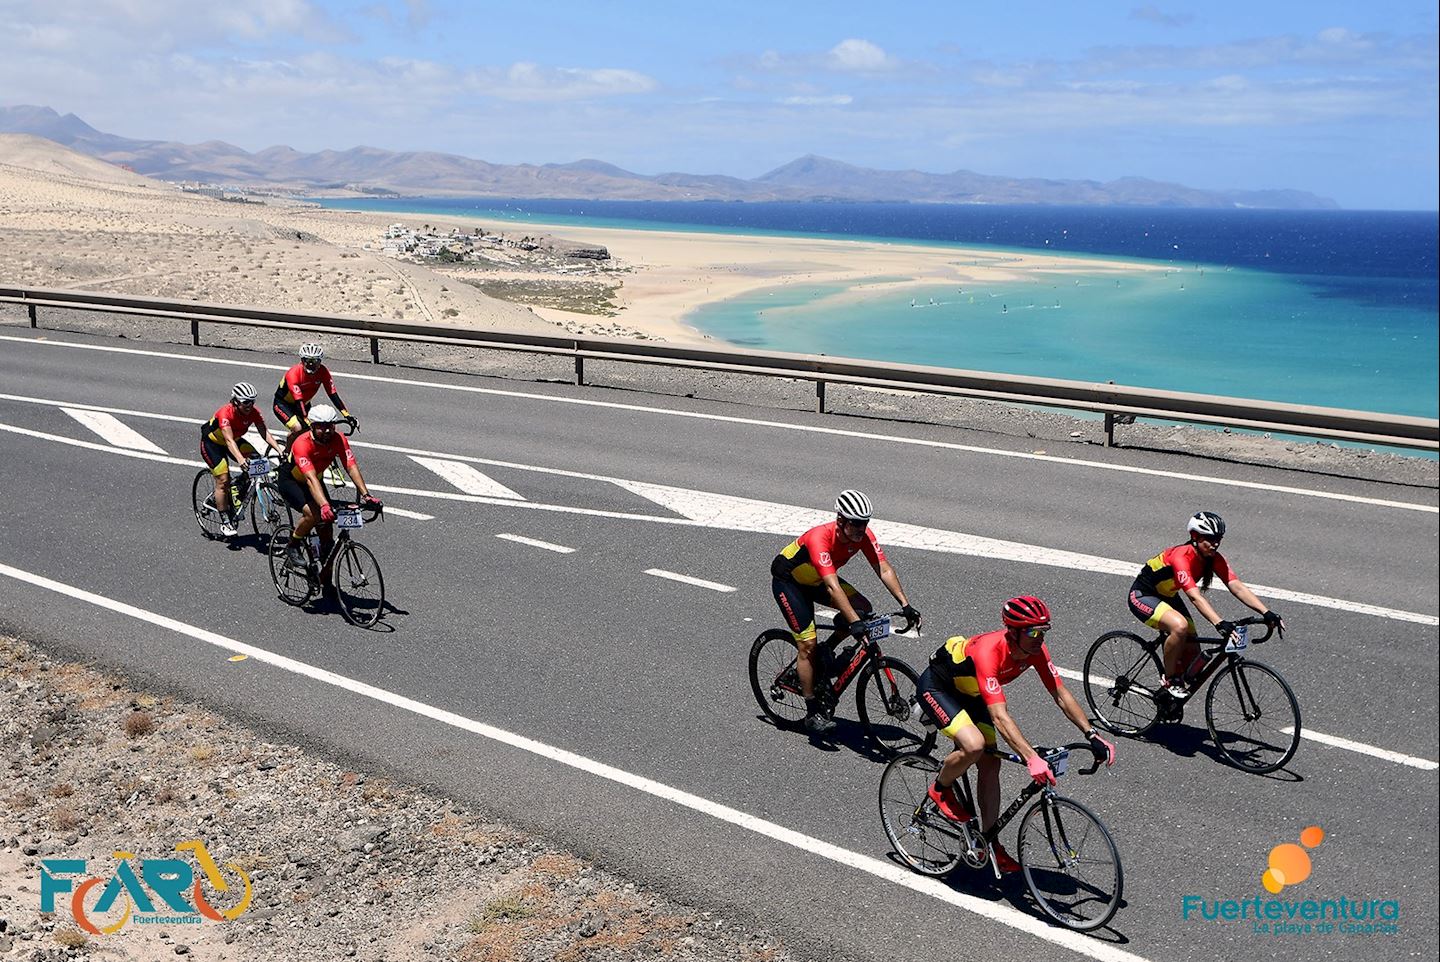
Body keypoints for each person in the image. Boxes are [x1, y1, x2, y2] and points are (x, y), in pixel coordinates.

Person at [917, 596, 1115, 873]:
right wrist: (1032, 758)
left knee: (990, 762)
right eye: (1033, 632)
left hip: (973, 695)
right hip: (939, 688)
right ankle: (940, 789)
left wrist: (1092, 734)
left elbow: (1060, 693)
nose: (1039, 638)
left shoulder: (1036, 651)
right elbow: (999, 716)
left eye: (1043, 631)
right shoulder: (989, 652)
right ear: (1013, 631)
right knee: (973, 746)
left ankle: (990, 844)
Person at [770, 489, 920, 735]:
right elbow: (832, 586)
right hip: (790, 583)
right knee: (807, 644)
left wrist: (906, 604)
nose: (862, 528)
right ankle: (812, 711)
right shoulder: (819, 538)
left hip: (817, 580)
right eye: (856, 523)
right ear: (841, 521)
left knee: (863, 609)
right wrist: (853, 623)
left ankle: (828, 649)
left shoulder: (862, 536)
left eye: (865, 523)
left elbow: (883, 568)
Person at [1127, 511, 1284, 702]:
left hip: (1168, 596)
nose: (1215, 543)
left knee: (1193, 652)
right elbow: (1194, 596)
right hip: (1144, 595)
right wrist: (1219, 623)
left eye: (1218, 538)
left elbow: (1236, 586)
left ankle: (1169, 700)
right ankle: (1170, 681)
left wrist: (1266, 612)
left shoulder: (1213, 558)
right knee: (1179, 627)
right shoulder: (1181, 557)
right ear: (1195, 537)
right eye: (1210, 539)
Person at [275, 404, 382, 580]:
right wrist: (324, 505)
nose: (326, 431)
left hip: (315, 479)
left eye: (330, 426)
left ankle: (326, 582)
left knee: (328, 540)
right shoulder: (302, 444)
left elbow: (351, 466)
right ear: (312, 426)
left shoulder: (338, 439)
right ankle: (292, 545)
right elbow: (309, 479)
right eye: (321, 426)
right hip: (292, 481)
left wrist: (366, 495)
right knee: (313, 514)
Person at [200, 382, 281, 537]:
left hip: (235, 440)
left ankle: (237, 486)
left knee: (257, 460)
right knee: (223, 480)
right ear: (235, 401)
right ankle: (225, 521)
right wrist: (240, 460)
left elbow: (264, 432)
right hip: (213, 444)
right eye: (246, 402)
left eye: (252, 401)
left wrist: (279, 450)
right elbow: (229, 441)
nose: (250, 405)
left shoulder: (253, 412)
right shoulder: (226, 413)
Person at [272, 343, 355, 450]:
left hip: (304, 405)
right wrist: (306, 419)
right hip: (283, 404)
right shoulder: (293, 373)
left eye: (315, 361)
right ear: (302, 361)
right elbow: (298, 400)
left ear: (320, 362)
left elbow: (333, 394)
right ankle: (286, 455)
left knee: (318, 429)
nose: (311, 364)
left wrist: (346, 415)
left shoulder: (323, 372)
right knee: (298, 428)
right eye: (307, 361)